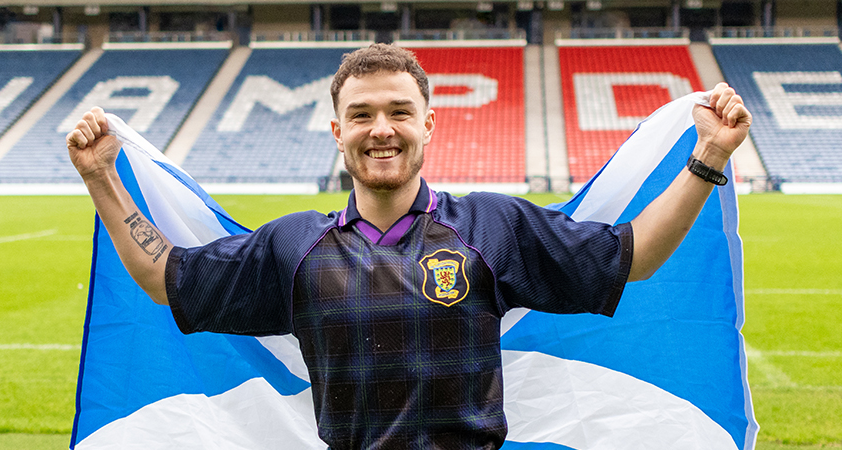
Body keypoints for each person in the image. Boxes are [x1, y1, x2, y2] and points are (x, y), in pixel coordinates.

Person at [66, 43, 750, 449]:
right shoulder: (293, 247)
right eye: (362, 114)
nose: (381, 129)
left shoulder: (492, 228)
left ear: (429, 124)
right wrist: (101, 176)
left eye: (398, 112)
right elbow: (167, 277)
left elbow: (631, 256)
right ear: (338, 131)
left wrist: (708, 158)